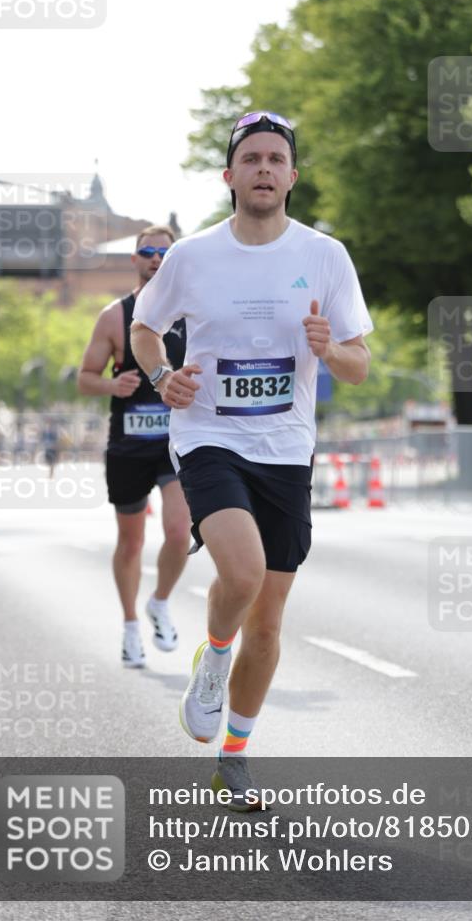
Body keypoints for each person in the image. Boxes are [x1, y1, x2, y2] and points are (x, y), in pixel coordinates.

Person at [130, 112, 373, 808]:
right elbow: (145, 328)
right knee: (240, 571)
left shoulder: (325, 256)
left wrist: (330, 349)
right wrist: (162, 377)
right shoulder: (192, 256)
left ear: (291, 176)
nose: (264, 168)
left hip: (287, 450)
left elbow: (358, 366)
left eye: (275, 159)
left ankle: (233, 757)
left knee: (266, 623)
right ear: (230, 176)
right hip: (208, 436)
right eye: (251, 158)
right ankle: (213, 655)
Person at [78, 225, 192, 669]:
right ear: (134, 259)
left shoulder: (191, 312)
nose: (156, 259)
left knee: (180, 532)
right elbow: (85, 378)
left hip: (175, 441)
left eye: (164, 252)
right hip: (127, 443)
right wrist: (112, 384)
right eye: (147, 252)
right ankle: (129, 627)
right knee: (131, 542)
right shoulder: (114, 316)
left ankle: (159, 601)